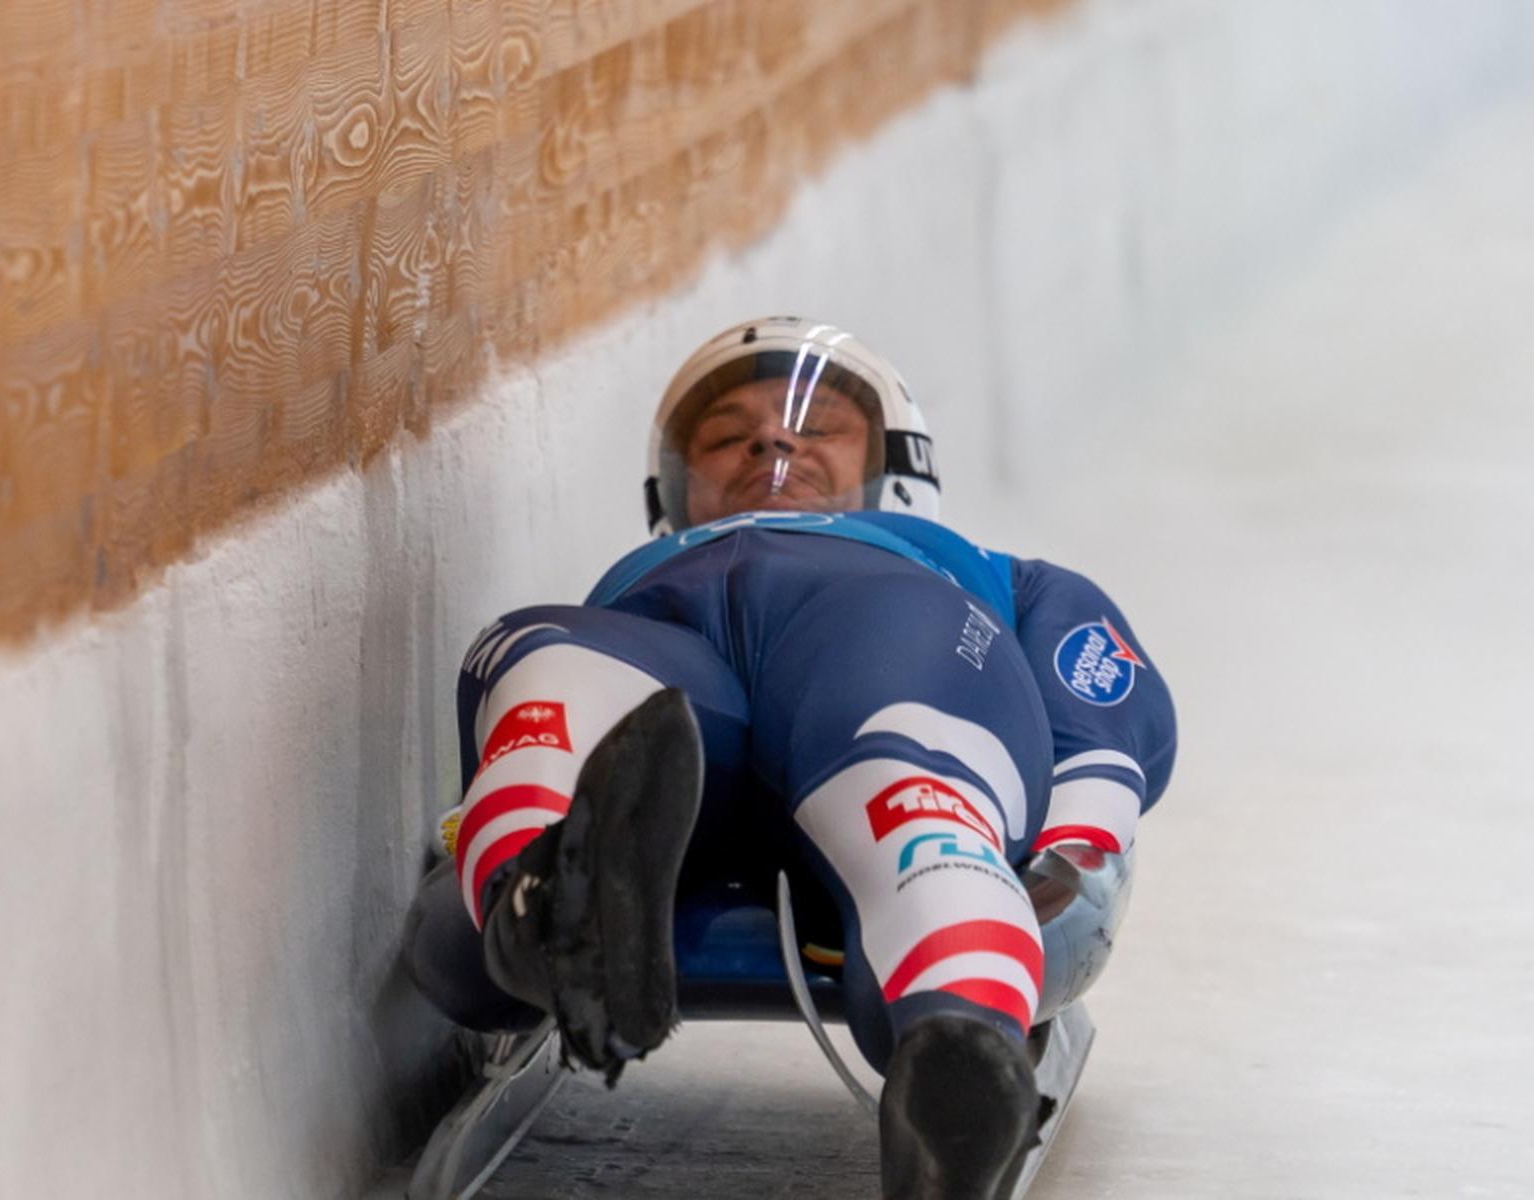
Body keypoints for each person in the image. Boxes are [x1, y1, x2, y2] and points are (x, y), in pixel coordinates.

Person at [404, 318, 1178, 1199]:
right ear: (675, 489)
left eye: (818, 427)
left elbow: (1108, 714)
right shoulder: (642, 580)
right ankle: (548, 902)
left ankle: (957, 1063)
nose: (771, 438)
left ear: (897, 473)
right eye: (727, 436)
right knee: (540, 659)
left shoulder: (995, 577)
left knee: (898, 767)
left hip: (883, 622)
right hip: (666, 643)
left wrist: (1074, 844)